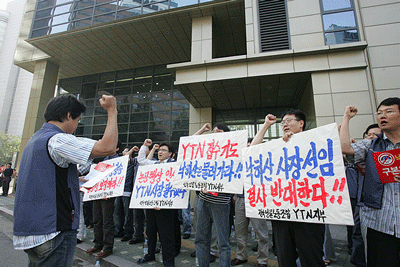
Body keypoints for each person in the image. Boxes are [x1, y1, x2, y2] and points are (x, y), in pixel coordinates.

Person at [13, 94, 118, 267]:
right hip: (53, 230)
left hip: (31, 230)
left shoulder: (34, 140)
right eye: (77, 120)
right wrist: (112, 110)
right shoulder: (58, 139)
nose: (76, 126)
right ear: (69, 115)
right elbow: (108, 147)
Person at [251, 110, 325, 267]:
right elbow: (253, 150)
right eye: (282, 122)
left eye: (288, 120)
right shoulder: (277, 146)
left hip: (308, 214)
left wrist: (298, 142)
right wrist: (266, 125)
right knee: (284, 259)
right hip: (282, 214)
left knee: (311, 259)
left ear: (301, 123)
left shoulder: (316, 141)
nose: (284, 124)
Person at [340, 97, 400, 267]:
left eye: (389, 111)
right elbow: (346, 148)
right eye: (379, 113)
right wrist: (346, 117)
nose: (383, 116)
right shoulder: (372, 145)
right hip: (380, 222)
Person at [137, 140, 181, 267]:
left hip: (166, 206)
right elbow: (141, 159)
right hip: (151, 204)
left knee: (166, 235)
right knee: (150, 231)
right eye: (159, 150)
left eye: (164, 150)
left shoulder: (175, 165)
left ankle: (168, 262)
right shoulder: (154, 164)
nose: (160, 152)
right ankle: (150, 254)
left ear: (171, 154)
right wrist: (145, 145)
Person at [194, 123, 233, 267]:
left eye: (219, 131)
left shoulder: (231, 152)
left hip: (221, 202)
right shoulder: (206, 150)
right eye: (213, 131)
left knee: (223, 241)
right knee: (200, 238)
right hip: (202, 200)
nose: (215, 133)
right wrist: (203, 130)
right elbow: (190, 144)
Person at [231, 142, 269, 267]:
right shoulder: (240, 163)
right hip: (241, 200)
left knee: (261, 232)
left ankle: (262, 260)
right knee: (240, 231)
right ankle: (241, 255)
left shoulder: (263, 162)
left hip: (257, 199)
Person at [86, 141, 123, 259]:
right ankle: (98, 243)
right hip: (97, 193)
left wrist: (109, 191)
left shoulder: (119, 161)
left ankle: (107, 247)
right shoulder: (103, 159)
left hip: (108, 195)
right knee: (97, 219)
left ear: (116, 148)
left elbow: (118, 179)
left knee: (107, 221)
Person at [114, 145, 139, 242]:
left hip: (127, 191)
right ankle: (118, 230)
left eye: (126, 151)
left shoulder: (132, 163)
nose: (124, 153)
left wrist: (131, 150)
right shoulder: (119, 163)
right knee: (117, 213)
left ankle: (128, 232)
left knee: (128, 214)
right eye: (123, 151)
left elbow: (127, 158)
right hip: (118, 190)